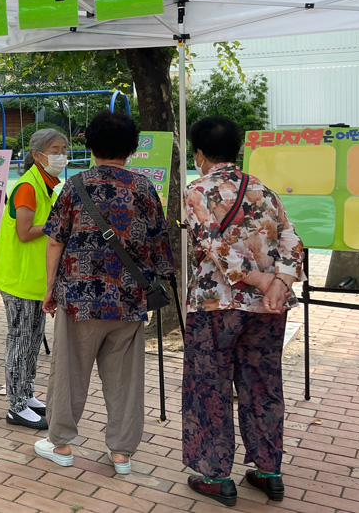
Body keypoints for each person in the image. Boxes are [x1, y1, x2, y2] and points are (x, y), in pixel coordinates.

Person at [35, 111, 173, 475]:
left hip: (78, 299)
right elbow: (161, 251)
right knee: (125, 379)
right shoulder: (144, 188)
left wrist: (50, 288)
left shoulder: (74, 185)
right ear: (132, 147)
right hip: (128, 302)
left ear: (90, 145)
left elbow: (54, 242)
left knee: (68, 373)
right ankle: (122, 453)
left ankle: (61, 443)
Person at [182, 116, 304, 507]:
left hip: (214, 305)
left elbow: (215, 247)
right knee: (264, 386)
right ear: (237, 149)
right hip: (268, 310)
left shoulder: (197, 191)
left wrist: (260, 280)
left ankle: (217, 476)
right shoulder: (264, 190)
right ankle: (269, 472)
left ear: (199, 154)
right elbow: (292, 238)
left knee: (210, 387)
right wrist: (281, 282)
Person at [0, 128, 67, 431]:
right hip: (17, 278)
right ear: (37, 155)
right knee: (20, 340)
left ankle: (26, 393)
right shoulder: (28, 187)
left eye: (63, 149)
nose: (61, 155)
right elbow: (24, 232)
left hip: (33, 279)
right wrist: (57, 224)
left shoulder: (46, 185)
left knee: (33, 340)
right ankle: (16, 405)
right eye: (55, 150)